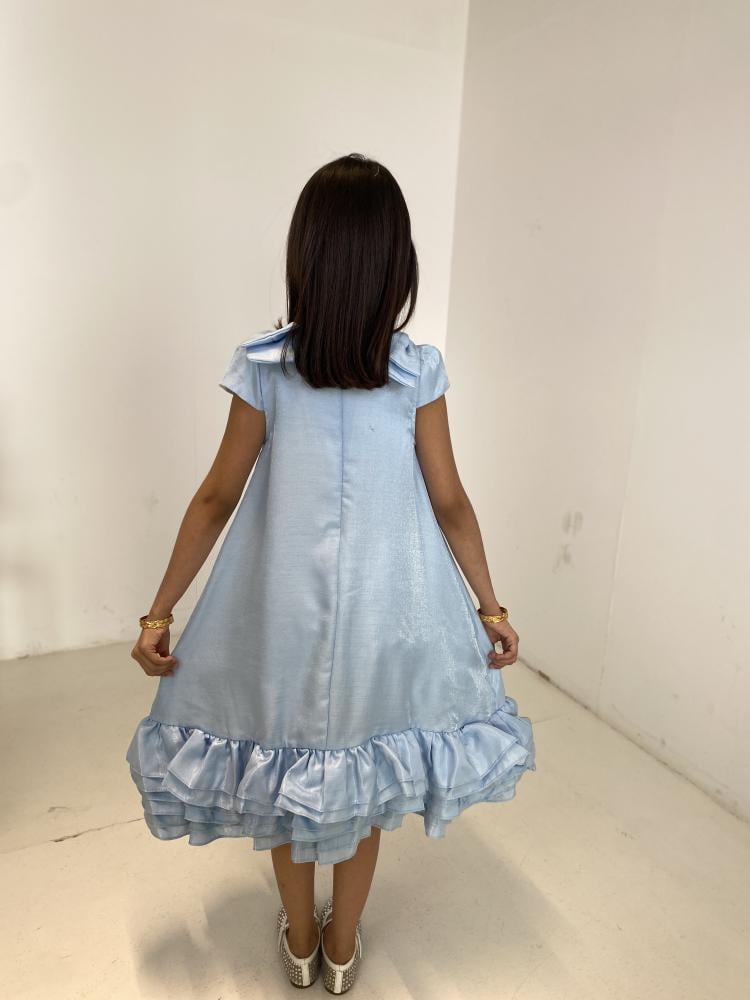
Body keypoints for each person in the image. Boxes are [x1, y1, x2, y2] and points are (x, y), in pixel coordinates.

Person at [126, 152, 536, 994]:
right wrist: (491, 606)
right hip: (387, 621)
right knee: (365, 782)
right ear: (396, 265)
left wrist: (159, 613)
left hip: (280, 619)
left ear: (305, 256)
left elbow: (216, 497)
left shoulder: (266, 369)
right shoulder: (415, 372)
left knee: (287, 777)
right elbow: (451, 501)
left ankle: (304, 939)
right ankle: (344, 948)